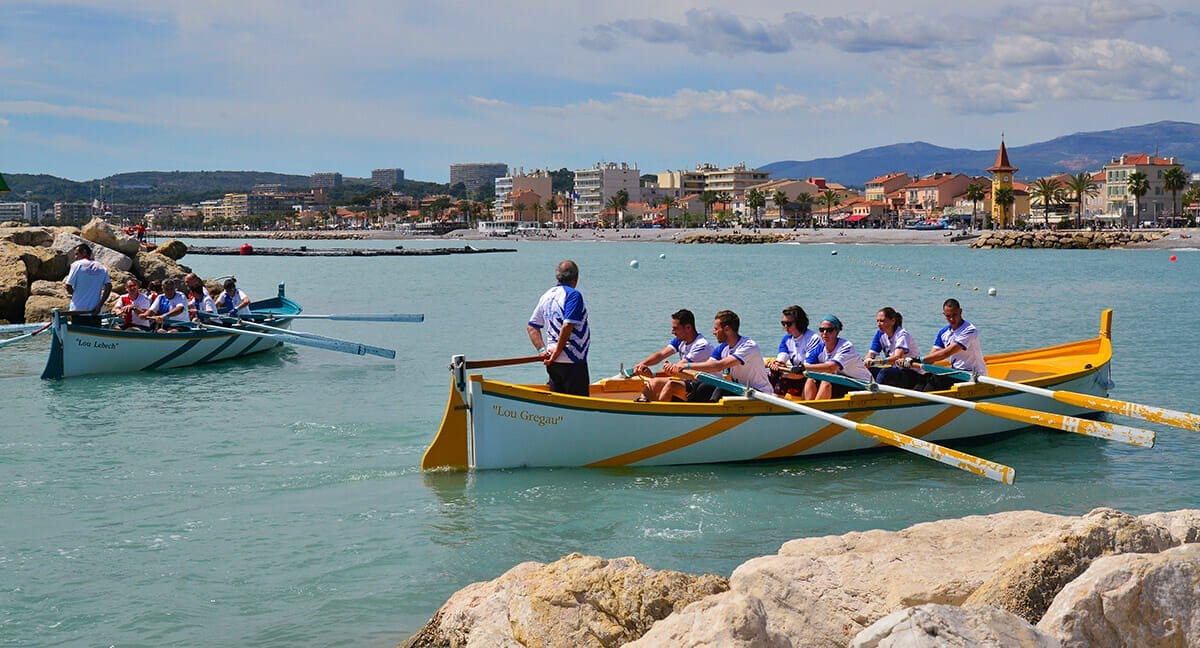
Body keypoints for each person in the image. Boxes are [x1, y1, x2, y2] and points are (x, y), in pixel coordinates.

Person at [662, 309, 771, 400]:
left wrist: (686, 365)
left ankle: (706, 414)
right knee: (704, 386)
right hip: (743, 390)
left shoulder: (748, 346)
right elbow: (708, 366)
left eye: (716, 329)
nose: (713, 332)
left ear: (727, 329)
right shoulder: (723, 347)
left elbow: (718, 366)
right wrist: (677, 371)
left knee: (721, 389)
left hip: (760, 395)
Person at [527, 260, 590, 396]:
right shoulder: (574, 295)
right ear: (576, 278)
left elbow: (532, 327)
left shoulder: (546, 296)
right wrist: (557, 352)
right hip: (573, 360)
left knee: (558, 403)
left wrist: (543, 350)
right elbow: (567, 325)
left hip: (553, 363)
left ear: (557, 277)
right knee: (578, 405)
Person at [901, 298, 986, 391]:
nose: (952, 319)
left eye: (955, 315)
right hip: (957, 372)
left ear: (960, 311)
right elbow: (932, 357)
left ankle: (922, 401)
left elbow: (946, 353)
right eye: (948, 316)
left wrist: (916, 360)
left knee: (936, 380)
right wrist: (908, 362)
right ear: (944, 314)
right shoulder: (943, 332)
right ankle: (914, 399)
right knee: (923, 378)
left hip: (973, 375)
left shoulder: (969, 330)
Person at [631, 309, 712, 402]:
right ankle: (642, 402)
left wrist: (660, 371)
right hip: (688, 380)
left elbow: (678, 367)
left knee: (671, 385)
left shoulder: (702, 345)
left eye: (675, 328)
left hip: (705, 385)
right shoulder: (680, 340)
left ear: (688, 328)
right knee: (654, 382)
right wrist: (642, 365)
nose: (672, 332)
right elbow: (661, 354)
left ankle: (658, 412)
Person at [802, 315, 873, 400]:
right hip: (842, 382)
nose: (825, 333)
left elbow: (831, 367)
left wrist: (802, 367)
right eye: (822, 330)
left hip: (863, 386)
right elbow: (807, 367)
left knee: (826, 380)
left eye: (829, 330)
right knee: (811, 378)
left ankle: (815, 409)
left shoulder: (846, 347)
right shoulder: (820, 348)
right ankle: (807, 406)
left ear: (837, 331)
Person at [768, 305, 820, 396]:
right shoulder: (786, 339)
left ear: (799, 323)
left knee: (783, 380)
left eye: (788, 324)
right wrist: (776, 364)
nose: (785, 327)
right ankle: (766, 399)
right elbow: (781, 359)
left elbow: (807, 367)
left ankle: (773, 405)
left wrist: (783, 374)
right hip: (795, 373)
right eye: (783, 323)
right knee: (772, 374)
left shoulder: (813, 338)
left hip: (809, 377)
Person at [864, 307, 922, 388]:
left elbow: (897, 358)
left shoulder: (902, 335)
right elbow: (870, 354)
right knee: (867, 371)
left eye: (882, 321)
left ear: (893, 321)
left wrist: (876, 362)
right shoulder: (880, 334)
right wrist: (867, 361)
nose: (878, 324)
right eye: (877, 321)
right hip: (896, 371)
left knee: (884, 373)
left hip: (911, 373)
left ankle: (875, 394)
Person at [64, 243, 112, 327]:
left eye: (77, 254)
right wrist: (100, 305)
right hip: (95, 312)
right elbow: (109, 286)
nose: (75, 257)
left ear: (84, 252)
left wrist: (76, 295)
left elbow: (68, 285)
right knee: (94, 336)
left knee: (78, 336)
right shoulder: (101, 267)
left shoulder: (77, 265)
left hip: (78, 310)